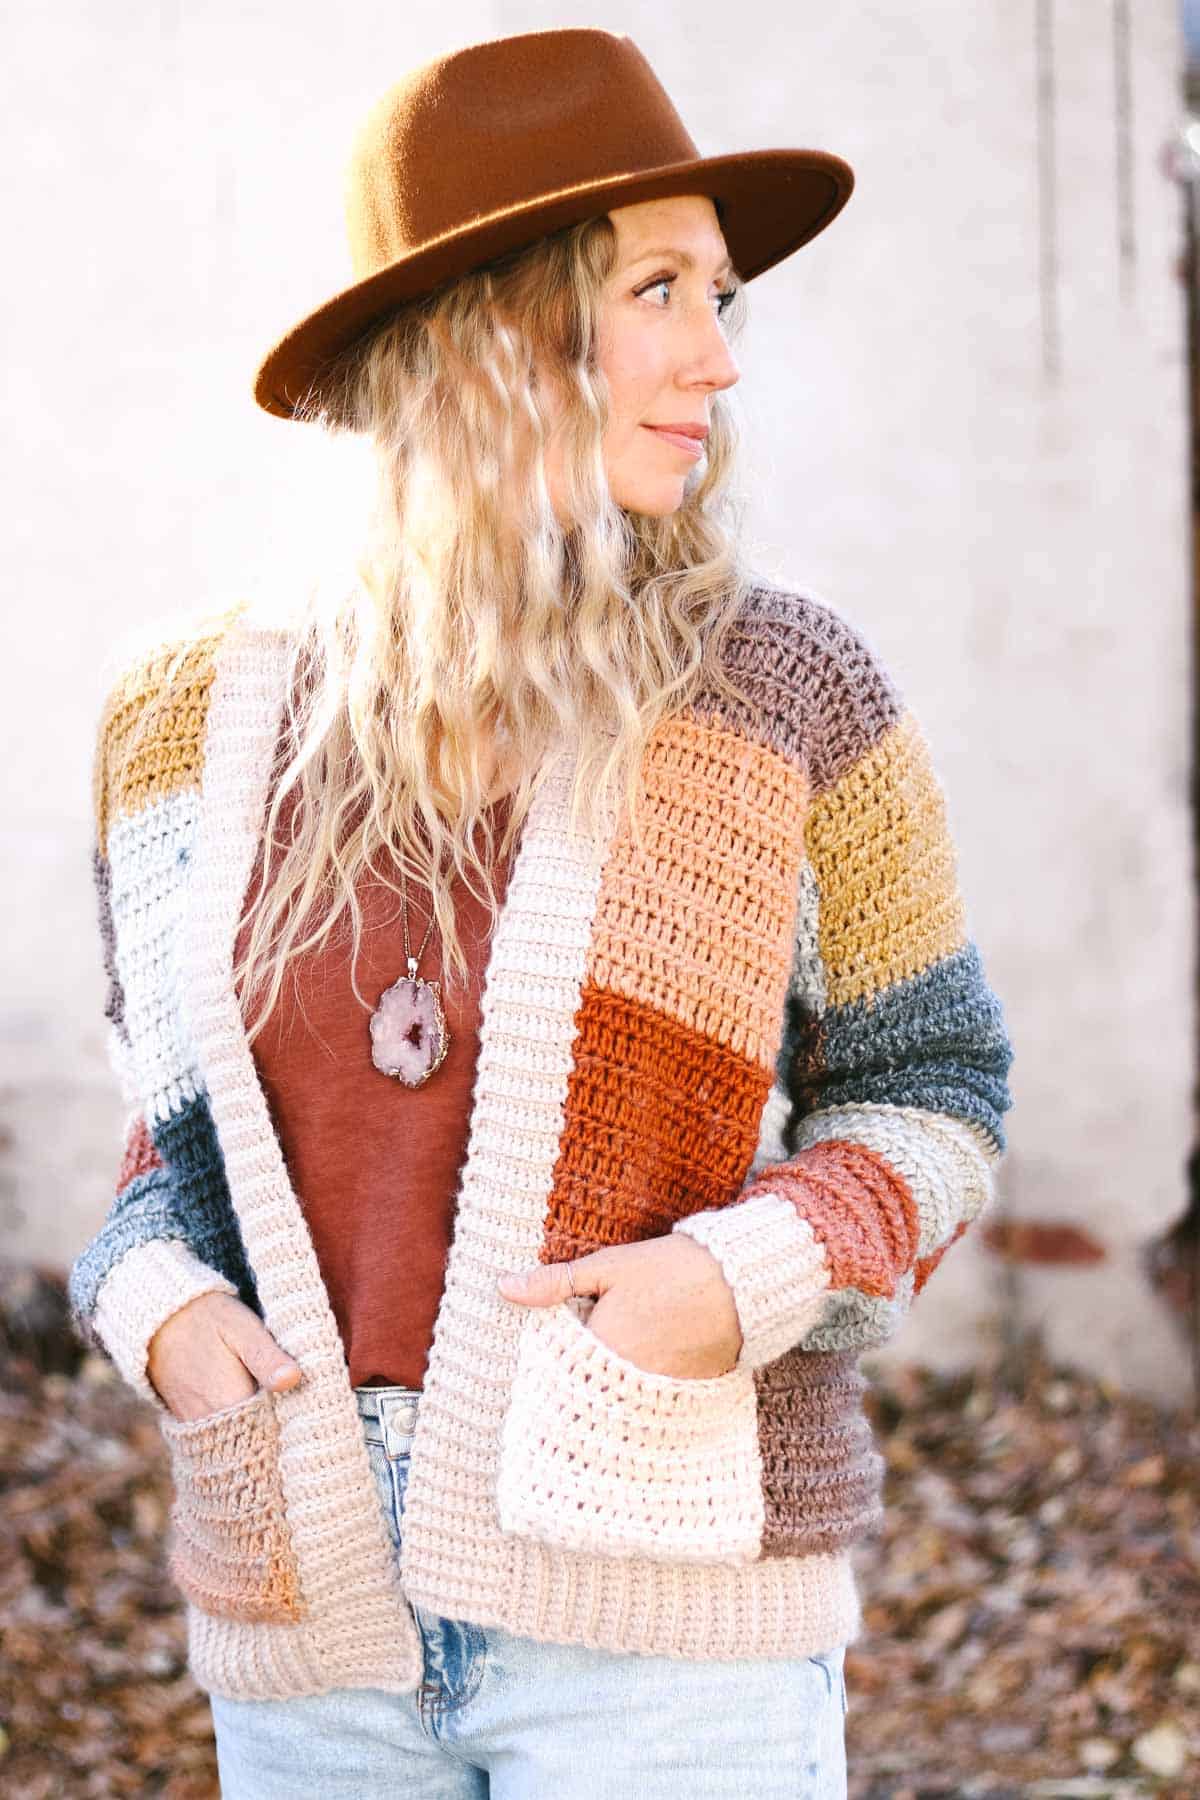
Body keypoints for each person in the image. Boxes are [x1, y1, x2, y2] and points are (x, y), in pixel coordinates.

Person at [68, 26, 1014, 1800]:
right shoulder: (178, 725)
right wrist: (158, 1316)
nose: (718, 360)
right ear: (484, 330)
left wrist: (735, 1282)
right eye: (659, 289)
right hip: (309, 1632)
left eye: (721, 297)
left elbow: (939, 1094)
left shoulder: (781, 694)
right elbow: (163, 1146)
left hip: (662, 1635)